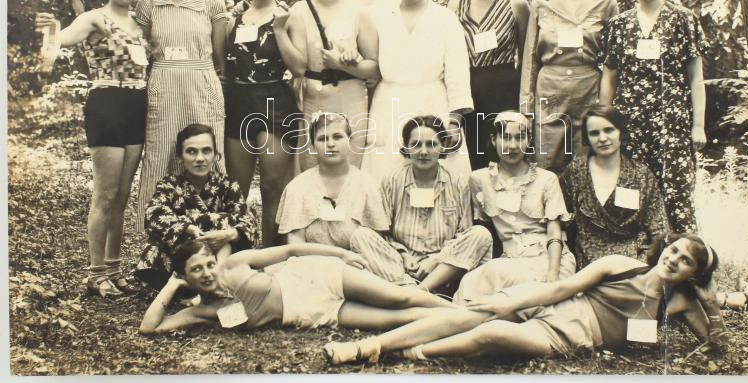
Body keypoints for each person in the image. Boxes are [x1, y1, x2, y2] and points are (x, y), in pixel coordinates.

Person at [323, 234, 728, 363]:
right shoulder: (621, 265)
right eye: (673, 250)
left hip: (572, 335)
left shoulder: (680, 303)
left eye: (686, 261)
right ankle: (368, 347)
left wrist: (709, 301)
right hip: (554, 304)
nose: (673, 260)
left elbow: (716, 345)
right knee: (474, 314)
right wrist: (511, 303)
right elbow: (560, 289)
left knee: (493, 333)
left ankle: (414, 353)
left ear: (694, 274)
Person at [35, 0, 149, 297]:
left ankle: (114, 269)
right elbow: (62, 39)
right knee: (105, 194)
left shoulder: (140, 23)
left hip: (137, 106)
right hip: (106, 104)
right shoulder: (94, 18)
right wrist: (50, 31)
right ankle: (96, 274)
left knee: (123, 196)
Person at [599, 0, 708, 233]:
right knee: (630, 190)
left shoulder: (683, 19)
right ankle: (634, 252)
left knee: (677, 191)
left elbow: (696, 79)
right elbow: (609, 77)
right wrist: (604, 122)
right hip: (629, 124)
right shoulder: (619, 24)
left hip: (672, 125)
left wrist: (698, 126)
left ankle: (685, 253)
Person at [139, 240, 454, 335]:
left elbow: (291, 250)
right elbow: (150, 328)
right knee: (397, 319)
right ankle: (464, 320)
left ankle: (464, 312)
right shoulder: (202, 311)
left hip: (313, 276)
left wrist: (341, 254)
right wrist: (171, 285)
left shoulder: (234, 264)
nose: (207, 273)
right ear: (186, 276)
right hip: (309, 311)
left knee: (399, 297)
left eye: (209, 263)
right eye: (196, 270)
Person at [134, 0, 228, 232]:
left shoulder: (212, 2)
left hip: (202, 85)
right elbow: (138, 53)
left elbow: (221, 58)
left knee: (206, 154)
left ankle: (212, 232)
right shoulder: (148, 3)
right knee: (161, 156)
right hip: (163, 85)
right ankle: (159, 235)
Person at [361, 0, 473, 181]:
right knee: (386, 172)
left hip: (434, 102)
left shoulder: (444, 18)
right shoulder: (379, 17)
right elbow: (369, 60)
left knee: (440, 175)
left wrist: (454, 121)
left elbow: (458, 74)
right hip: (389, 103)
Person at [223, 0, 304, 248]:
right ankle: (238, 253)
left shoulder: (287, 17)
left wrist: (280, 31)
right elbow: (223, 66)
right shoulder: (232, 19)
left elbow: (299, 67)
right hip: (239, 102)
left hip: (274, 102)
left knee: (272, 186)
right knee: (236, 189)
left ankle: (271, 253)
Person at [519, 0, 619, 173]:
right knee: (546, 162)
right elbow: (530, 59)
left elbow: (614, 60)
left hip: (589, 90)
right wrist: (526, 107)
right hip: (549, 92)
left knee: (587, 163)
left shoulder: (605, 1)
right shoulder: (541, 2)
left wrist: (608, 106)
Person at [454, 111, 575, 304]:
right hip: (509, 259)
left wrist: (553, 275)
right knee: (471, 284)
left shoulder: (547, 179)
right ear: (493, 140)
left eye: (520, 138)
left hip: (549, 260)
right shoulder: (479, 179)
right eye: (505, 137)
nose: (512, 146)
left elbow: (555, 232)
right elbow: (481, 230)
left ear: (529, 141)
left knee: (503, 281)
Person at [275, 112, 410, 284]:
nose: (331, 144)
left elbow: (375, 242)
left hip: (362, 270)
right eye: (323, 139)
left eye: (338, 137)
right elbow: (295, 244)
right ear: (312, 145)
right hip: (315, 270)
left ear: (350, 141)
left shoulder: (368, 185)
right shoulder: (298, 187)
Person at [286, 0, 380, 170]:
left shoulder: (359, 13)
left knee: (350, 165)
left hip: (351, 98)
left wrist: (343, 64)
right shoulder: (299, 11)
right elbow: (299, 64)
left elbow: (373, 67)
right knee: (312, 165)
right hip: (313, 99)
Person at [377, 116, 493, 292]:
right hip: (401, 264)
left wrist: (437, 259)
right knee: (361, 236)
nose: (423, 151)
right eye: (416, 144)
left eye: (432, 144)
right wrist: (403, 255)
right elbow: (383, 232)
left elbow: (464, 233)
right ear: (406, 146)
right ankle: (405, 286)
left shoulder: (458, 183)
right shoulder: (391, 182)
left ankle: (419, 292)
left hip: (443, 267)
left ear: (443, 146)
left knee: (481, 234)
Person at [135, 124, 257, 290]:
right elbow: (154, 215)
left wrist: (229, 234)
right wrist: (188, 228)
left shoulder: (228, 185)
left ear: (216, 155)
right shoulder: (169, 185)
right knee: (164, 241)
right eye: (191, 151)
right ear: (180, 157)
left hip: (219, 256)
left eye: (206, 151)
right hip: (182, 260)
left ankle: (216, 283)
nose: (200, 158)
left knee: (231, 239)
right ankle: (205, 287)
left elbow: (248, 220)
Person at [448, 0, 530, 170]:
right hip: (468, 91)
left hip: (505, 90)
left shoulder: (516, 3)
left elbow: (527, 57)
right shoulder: (455, 5)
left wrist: (525, 103)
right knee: (472, 158)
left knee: (504, 152)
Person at [561, 105, 668, 269]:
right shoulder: (576, 171)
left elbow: (658, 226)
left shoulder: (641, 174)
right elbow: (560, 215)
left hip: (633, 260)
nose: (602, 138)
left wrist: (651, 262)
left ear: (620, 132)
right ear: (587, 138)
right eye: (594, 133)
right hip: (588, 262)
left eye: (609, 130)